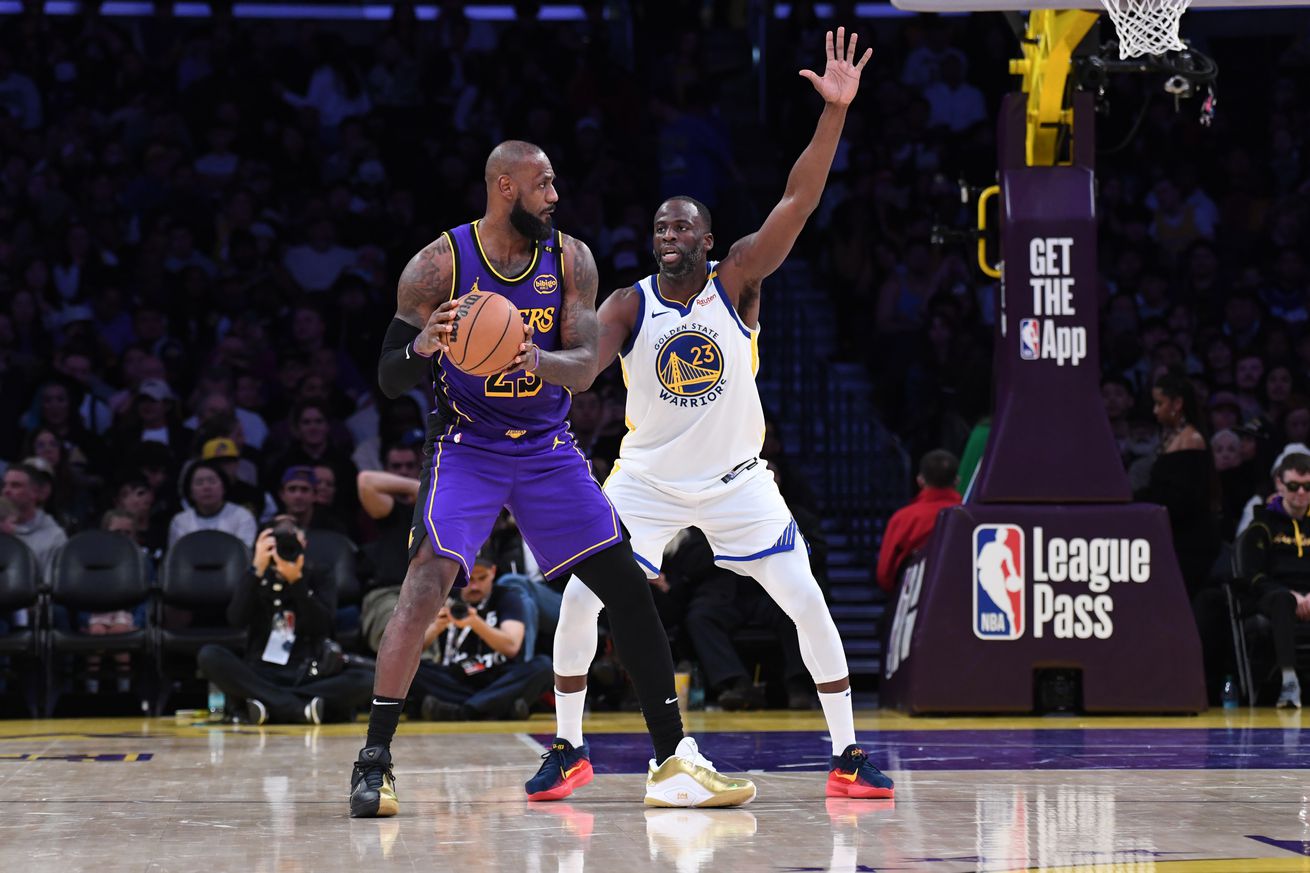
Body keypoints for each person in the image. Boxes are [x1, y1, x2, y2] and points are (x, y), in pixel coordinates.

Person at [533, 29, 892, 804]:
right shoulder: (630, 301)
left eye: (682, 227)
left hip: (738, 481)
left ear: (706, 236)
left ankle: (850, 752)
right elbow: (592, 367)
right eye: (660, 228)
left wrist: (832, 114)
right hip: (648, 481)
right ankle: (568, 747)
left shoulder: (739, 282)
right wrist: (537, 363)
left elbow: (798, 199)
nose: (670, 237)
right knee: (580, 601)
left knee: (807, 600)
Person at [348, 138, 755, 817]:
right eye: (543, 184)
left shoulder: (571, 260)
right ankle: (373, 762)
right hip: (468, 445)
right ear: (505, 187)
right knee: (422, 584)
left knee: (627, 586)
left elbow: (585, 365)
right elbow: (390, 375)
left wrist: (530, 354)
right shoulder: (438, 265)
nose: (555, 195)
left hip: (546, 446)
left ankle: (674, 759)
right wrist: (424, 344)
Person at [196, 517, 374, 724]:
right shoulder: (256, 574)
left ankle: (268, 703)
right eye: (277, 543)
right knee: (209, 655)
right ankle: (298, 708)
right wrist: (255, 570)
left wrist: (297, 582)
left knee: (367, 680)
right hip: (260, 671)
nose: (284, 548)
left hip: (309, 673)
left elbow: (322, 626)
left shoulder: (319, 574)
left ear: (304, 544)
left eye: (292, 541)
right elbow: (236, 619)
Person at [411, 549, 553, 721]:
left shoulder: (508, 597)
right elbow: (411, 651)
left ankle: (464, 711)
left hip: (498, 676)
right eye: (469, 580)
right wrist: (435, 627)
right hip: (455, 678)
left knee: (544, 666)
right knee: (409, 668)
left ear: (492, 572)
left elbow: (511, 647)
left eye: (482, 578)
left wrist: (475, 622)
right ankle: (496, 707)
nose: (475, 586)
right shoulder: (444, 597)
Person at [1234, 452, 1310, 709]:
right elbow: (1251, 574)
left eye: (1307, 487)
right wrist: (1291, 594)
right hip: (1274, 595)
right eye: (1293, 486)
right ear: (1280, 483)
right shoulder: (1262, 524)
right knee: (1281, 600)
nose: (1301, 492)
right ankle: (1289, 682)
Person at [876, 449, 962, 592]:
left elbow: (884, 576)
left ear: (920, 480)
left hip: (913, 601)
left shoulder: (902, 519)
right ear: (957, 480)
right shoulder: (970, 518)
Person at [167, 460, 258, 548]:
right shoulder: (180, 521)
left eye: (212, 481)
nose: (206, 487)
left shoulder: (242, 516)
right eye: (199, 483)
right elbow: (178, 557)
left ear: (224, 487)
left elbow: (245, 553)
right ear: (190, 492)